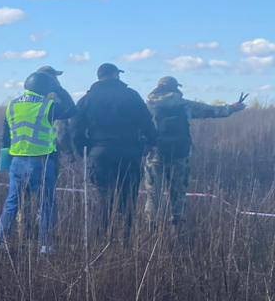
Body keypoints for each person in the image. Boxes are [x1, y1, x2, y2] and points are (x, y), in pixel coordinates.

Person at [70, 63, 157, 240]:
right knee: (129, 199)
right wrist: (149, 144)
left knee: (103, 199)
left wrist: (85, 151)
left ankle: (102, 240)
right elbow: (147, 123)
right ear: (116, 75)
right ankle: (126, 240)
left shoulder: (88, 99)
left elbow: (75, 130)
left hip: (100, 153)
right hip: (130, 153)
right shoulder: (132, 96)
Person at [0, 66, 74, 254]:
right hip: (41, 162)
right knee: (46, 203)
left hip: (17, 161)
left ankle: (0, 242)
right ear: (46, 87)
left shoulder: (12, 105)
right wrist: (60, 90)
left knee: (12, 202)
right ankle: (45, 245)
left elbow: (5, 136)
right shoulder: (47, 106)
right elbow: (72, 110)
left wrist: (5, 159)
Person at [144, 76, 247, 225]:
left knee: (153, 195)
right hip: (180, 153)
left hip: (155, 154)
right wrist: (232, 108)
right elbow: (212, 110)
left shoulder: (148, 106)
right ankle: (178, 230)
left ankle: (151, 229)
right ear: (175, 87)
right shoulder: (185, 105)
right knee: (178, 195)